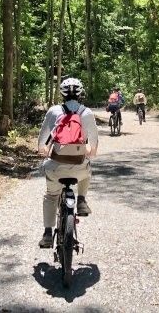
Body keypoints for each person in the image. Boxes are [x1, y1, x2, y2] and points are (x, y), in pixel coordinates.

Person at [37, 77, 99, 248]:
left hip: (56, 167)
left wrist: (42, 151)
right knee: (87, 168)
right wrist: (90, 153)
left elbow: (42, 138)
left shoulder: (53, 111)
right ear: (80, 93)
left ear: (62, 93)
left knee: (50, 196)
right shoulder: (86, 112)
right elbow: (93, 142)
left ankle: (48, 234)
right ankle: (81, 200)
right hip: (79, 168)